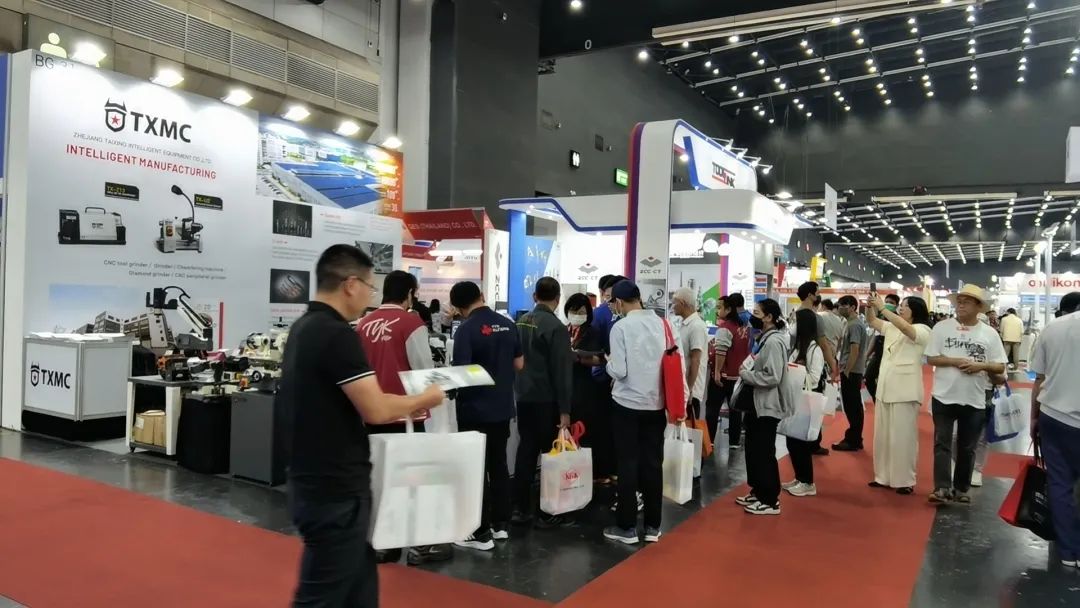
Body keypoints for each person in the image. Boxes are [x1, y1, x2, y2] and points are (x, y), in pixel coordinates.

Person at [280, 245, 444, 607]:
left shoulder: (304, 327)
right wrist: (425, 398)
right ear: (351, 284)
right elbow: (376, 408)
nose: (371, 296)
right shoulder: (336, 333)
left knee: (359, 591)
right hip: (333, 488)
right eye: (369, 287)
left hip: (317, 479)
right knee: (321, 596)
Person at [356, 271, 449, 565]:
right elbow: (423, 370)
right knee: (413, 481)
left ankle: (385, 543)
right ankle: (419, 545)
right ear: (409, 293)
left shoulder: (364, 323)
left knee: (381, 480)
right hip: (407, 415)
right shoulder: (411, 323)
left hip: (373, 413)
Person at [602, 280, 684, 544]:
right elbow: (677, 363)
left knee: (627, 464)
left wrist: (607, 364)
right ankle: (652, 527)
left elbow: (619, 370)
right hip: (656, 405)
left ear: (619, 302)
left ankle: (626, 527)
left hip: (626, 405)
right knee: (652, 465)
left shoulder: (621, 327)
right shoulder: (665, 324)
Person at [449, 281, 523, 551]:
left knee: (475, 467)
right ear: (481, 296)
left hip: (475, 409)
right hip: (502, 406)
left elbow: (461, 373)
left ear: (457, 307)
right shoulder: (508, 324)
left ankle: (479, 532)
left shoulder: (466, 330)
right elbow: (519, 363)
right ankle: (500, 525)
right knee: (499, 463)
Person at [925, 285, 1007, 505]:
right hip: (943, 395)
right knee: (941, 442)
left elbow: (1000, 366)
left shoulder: (989, 334)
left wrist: (981, 366)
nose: (960, 305)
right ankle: (941, 488)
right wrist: (955, 361)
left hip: (974, 397)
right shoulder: (941, 328)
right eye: (959, 301)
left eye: (966, 301)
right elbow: (931, 358)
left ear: (979, 307)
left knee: (967, 446)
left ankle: (962, 488)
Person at [512, 277, 574, 527]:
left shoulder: (520, 322)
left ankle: (519, 508)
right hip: (547, 399)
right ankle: (548, 511)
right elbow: (562, 371)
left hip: (523, 396)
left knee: (526, 450)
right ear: (558, 299)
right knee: (551, 455)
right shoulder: (556, 327)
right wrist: (565, 409)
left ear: (534, 296)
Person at [1029, 291, 1080, 568]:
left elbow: (1039, 378)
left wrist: (1033, 418)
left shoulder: (1053, 328)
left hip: (1055, 417)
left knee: (1059, 484)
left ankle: (1069, 552)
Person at [864, 294, 933, 495]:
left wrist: (883, 309)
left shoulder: (923, 329)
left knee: (903, 437)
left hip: (905, 391)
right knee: (882, 436)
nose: (901, 308)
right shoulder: (892, 326)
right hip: (885, 388)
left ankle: (905, 480)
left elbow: (907, 329)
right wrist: (870, 306)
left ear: (916, 311)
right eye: (900, 305)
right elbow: (872, 321)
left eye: (905, 306)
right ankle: (882, 476)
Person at [734, 298, 795, 516]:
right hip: (757, 404)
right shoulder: (764, 339)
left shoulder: (774, 342)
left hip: (767, 406)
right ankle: (758, 490)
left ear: (769, 317)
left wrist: (746, 375)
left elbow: (773, 376)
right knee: (753, 450)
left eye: (757, 313)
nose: (753, 317)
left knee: (764, 451)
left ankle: (770, 499)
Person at [564, 293, 614, 484]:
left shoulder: (592, 333)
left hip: (587, 388)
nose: (577, 315)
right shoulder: (565, 330)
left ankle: (592, 473)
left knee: (587, 430)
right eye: (573, 311)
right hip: (567, 387)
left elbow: (600, 358)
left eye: (581, 312)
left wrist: (577, 357)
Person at [782, 308, 825, 498]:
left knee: (800, 443)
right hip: (794, 397)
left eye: (795, 321)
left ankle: (808, 482)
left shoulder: (815, 349)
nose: (792, 324)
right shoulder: (798, 347)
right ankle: (800, 477)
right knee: (792, 441)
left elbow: (814, 378)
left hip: (805, 400)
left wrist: (796, 373)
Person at [709, 295, 751, 448]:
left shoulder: (725, 328)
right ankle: (734, 441)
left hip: (724, 375)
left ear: (728, 309)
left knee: (712, 408)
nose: (717, 310)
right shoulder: (743, 327)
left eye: (719, 307)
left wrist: (717, 372)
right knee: (735, 409)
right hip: (738, 374)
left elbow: (721, 351)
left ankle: (709, 440)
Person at [832, 295, 870, 452]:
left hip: (852, 371)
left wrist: (847, 370)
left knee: (852, 406)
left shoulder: (854, 325)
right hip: (851, 370)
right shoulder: (851, 323)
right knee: (853, 406)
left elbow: (855, 349)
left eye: (843, 305)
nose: (840, 308)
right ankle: (855, 439)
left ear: (853, 307)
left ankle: (853, 440)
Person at [673, 287, 709, 433]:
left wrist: (688, 389)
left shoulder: (696, 326)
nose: (673, 306)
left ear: (682, 303)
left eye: (674, 302)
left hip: (690, 390)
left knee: (690, 431)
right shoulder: (684, 324)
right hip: (684, 387)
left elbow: (695, 360)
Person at [794, 282, 841, 383]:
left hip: (793, 361)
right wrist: (833, 367)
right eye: (817, 291)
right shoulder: (816, 318)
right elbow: (824, 345)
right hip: (810, 362)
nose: (819, 293)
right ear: (810, 295)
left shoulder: (793, 316)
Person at [864, 293, 900, 401]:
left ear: (896, 305)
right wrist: (867, 355)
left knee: (888, 382)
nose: (888, 304)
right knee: (868, 378)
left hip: (891, 356)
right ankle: (877, 401)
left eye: (891, 303)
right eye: (887, 302)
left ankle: (887, 401)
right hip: (878, 354)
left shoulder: (897, 319)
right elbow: (875, 336)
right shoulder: (880, 317)